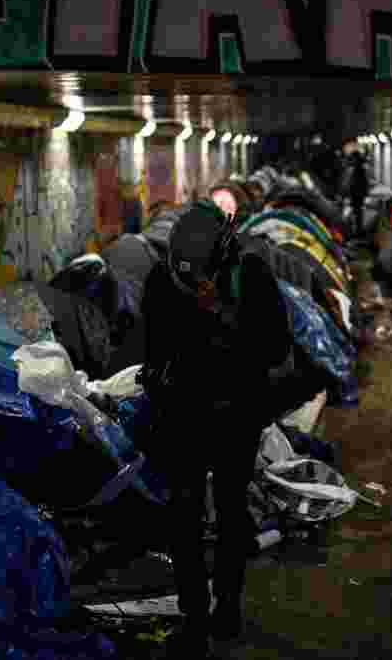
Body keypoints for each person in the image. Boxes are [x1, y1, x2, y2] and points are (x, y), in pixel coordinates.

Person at [139, 201, 292, 658]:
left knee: (227, 515)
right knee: (184, 519)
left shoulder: (251, 279)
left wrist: (223, 315)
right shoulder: (162, 281)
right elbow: (152, 349)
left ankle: (225, 607)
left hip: (233, 417)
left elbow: (276, 348)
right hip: (184, 418)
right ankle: (195, 613)